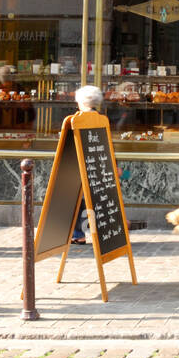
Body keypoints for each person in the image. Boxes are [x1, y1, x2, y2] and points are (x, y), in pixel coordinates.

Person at [69, 85, 106, 244]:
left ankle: (78, 234)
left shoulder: (77, 120)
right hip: (97, 166)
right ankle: (105, 233)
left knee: (76, 201)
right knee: (92, 200)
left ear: (81, 101)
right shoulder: (101, 119)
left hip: (79, 166)